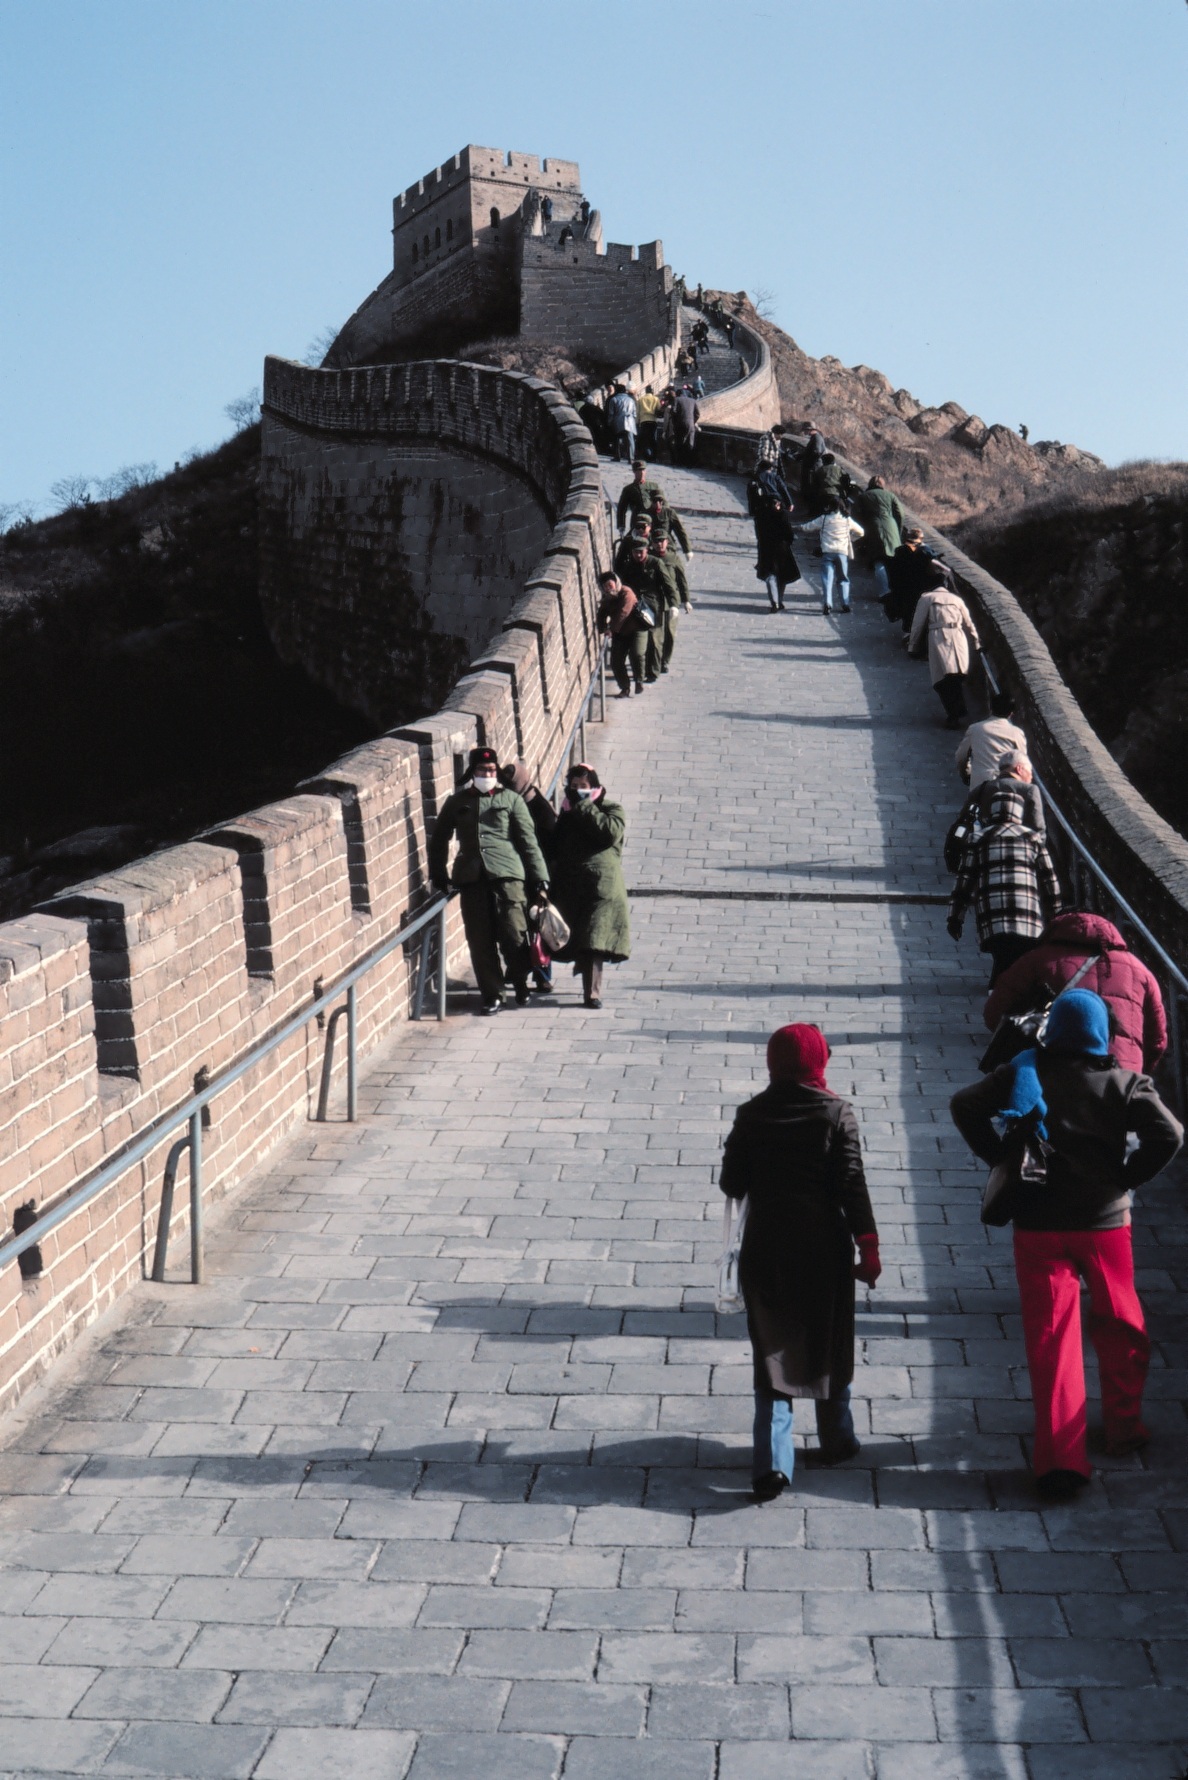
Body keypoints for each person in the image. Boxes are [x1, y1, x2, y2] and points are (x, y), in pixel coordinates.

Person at [950, 989, 1183, 1500]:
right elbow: (1170, 1135)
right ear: (1100, 1035)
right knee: (1123, 1325)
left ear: (1053, 1033)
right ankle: (1123, 1428)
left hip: (1038, 1226)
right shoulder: (1124, 1083)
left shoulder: (1022, 1074)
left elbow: (964, 1105)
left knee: (1053, 1338)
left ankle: (1060, 1460)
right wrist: (1127, 1177)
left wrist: (998, 1158)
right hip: (1104, 1227)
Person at [720, 1024, 879, 1499]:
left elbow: (732, 1182)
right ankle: (837, 1440)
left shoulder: (751, 1114)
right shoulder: (837, 1114)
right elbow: (853, 1186)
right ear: (818, 1064)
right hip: (823, 1249)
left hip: (766, 1249)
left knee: (772, 1352)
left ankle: (772, 1463)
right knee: (829, 1342)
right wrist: (868, 1247)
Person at [428, 747, 549, 1015]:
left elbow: (529, 842)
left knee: (513, 933)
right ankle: (493, 994)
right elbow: (439, 840)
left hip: (507, 875)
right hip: (472, 878)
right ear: (472, 772)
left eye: (492, 770)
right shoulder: (458, 802)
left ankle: (519, 982)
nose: (488, 774)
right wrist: (438, 874)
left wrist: (540, 878)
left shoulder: (511, 800)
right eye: (482, 771)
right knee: (479, 939)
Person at [983, 912, 1168, 1077]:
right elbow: (1156, 1040)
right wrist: (1138, 1069)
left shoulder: (1036, 960)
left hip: (1053, 1073)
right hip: (1120, 1075)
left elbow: (994, 1013)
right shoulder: (1138, 969)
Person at [947, 786, 1063, 984]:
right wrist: (1056, 916)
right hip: (1027, 916)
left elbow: (964, 882)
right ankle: (1009, 999)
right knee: (1021, 959)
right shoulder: (1032, 838)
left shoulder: (978, 839)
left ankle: (999, 997)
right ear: (1018, 812)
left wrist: (955, 918)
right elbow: (1050, 881)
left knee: (1002, 957)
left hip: (992, 917)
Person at [547, 763, 630, 1008]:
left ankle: (592, 994)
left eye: (583, 787)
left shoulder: (611, 808)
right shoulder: (566, 812)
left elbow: (608, 833)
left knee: (594, 939)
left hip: (601, 886)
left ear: (594, 786)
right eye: (573, 787)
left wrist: (583, 805)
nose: (578, 791)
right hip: (571, 886)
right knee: (577, 937)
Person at [498, 760, 558, 992]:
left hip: (538, 877)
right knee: (517, 926)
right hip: (518, 874)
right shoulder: (522, 801)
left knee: (538, 928)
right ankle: (518, 969)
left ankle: (542, 976)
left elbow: (547, 847)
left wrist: (543, 882)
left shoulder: (539, 808)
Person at [908, 581, 981, 726]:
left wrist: (913, 646)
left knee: (942, 679)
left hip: (939, 638)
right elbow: (969, 623)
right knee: (957, 675)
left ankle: (954, 713)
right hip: (958, 637)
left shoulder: (927, 598)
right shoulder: (957, 600)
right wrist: (976, 642)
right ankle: (958, 710)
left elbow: (918, 624)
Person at [795, 503, 864, 614]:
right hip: (842, 553)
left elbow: (808, 527)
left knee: (827, 579)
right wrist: (849, 538)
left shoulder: (824, 518)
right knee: (843, 579)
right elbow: (861, 532)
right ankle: (845, 603)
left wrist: (798, 527)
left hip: (827, 552)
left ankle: (827, 602)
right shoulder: (847, 520)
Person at [618, 538, 668, 682]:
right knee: (638, 641)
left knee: (654, 639)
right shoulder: (628, 567)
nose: (638, 555)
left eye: (641, 552)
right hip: (636, 607)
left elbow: (667, 583)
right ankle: (642, 671)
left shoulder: (655, 563)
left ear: (647, 550)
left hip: (653, 606)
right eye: (635, 552)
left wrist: (673, 604)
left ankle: (653, 671)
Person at [957, 691, 1029, 790]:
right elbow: (1022, 761)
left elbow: (961, 755)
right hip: (1006, 785)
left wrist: (965, 773)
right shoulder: (1016, 733)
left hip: (980, 783)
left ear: (991, 708)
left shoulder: (975, 729)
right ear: (1011, 713)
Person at [597, 569, 648, 697]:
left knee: (637, 654)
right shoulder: (608, 598)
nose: (609, 588)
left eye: (610, 585)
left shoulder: (626, 592)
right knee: (616, 661)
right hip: (620, 632)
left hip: (636, 628)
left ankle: (639, 680)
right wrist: (602, 628)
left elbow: (623, 612)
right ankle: (625, 688)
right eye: (606, 587)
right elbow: (601, 613)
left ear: (616, 582)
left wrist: (611, 629)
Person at [853, 476, 907, 601]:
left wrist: (864, 528)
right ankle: (897, 590)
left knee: (879, 560)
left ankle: (884, 592)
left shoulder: (864, 496)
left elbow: (855, 515)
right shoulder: (890, 495)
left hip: (873, 528)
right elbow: (901, 514)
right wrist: (897, 530)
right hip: (891, 527)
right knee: (894, 559)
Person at [884, 529, 946, 631]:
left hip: (904, 585)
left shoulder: (899, 550)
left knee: (908, 609)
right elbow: (932, 560)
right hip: (920, 585)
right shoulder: (924, 551)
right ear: (920, 539)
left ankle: (908, 631)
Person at [975, 751, 1045, 835]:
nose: (1031, 777)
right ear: (1020, 769)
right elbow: (1038, 828)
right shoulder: (1030, 790)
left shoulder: (981, 789)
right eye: (1030, 771)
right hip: (1020, 844)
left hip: (984, 843)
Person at [754, 497, 801, 612]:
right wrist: (788, 542)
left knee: (770, 574)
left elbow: (759, 534)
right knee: (782, 576)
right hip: (782, 548)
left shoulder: (760, 516)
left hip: (766, 548)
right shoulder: (782, 515)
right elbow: (789, 533)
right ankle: (779, 600)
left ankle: (774, 601)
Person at [650, 532, 689, 669]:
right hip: (655, 601)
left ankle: (665, 659)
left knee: (670, 633)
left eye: (662, 541)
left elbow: (681, 580)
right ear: (652, 543)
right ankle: (656, 660)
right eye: (656, 542)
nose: (659, 544)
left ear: (667, 542)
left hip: (671, 601)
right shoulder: (650, 558)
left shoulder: (673, 558)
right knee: (656, 633)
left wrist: (686, 600)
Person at [616, 460, 665, 532]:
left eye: (643, 470)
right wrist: (621, 525)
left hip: (653, 520)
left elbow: (663, 502)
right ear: (634, 471)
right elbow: (622, 509)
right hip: (637, 520)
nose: (642, 472)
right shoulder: (628, 489)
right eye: (639, 470)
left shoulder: (653, 486)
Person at [647, 493, 691, 559]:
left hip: (667, 544)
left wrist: (687, 550)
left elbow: (680, 531)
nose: (658, 503)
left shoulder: (669, 512)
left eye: (660, 500)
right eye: (654, 501)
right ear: (650, 501)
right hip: (651, 544)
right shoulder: (645, 513)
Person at [606, 384, 638, 462]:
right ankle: (631, 458)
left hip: (617, 421)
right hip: (630, 421)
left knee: (616, 439)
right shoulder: (631, 400)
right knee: (630, 440)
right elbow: (634, 413)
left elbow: (611, 413)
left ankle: (617, 456)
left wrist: (609, 422)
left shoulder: (614, 399)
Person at [671, 388, 700, 465]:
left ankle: (680, 462)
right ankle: (690, 463)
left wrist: (674, 422)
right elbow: (697, 414)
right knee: (690, 443)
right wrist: (693, 421)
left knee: (679, 442)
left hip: (679, 424)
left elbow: (673, 411)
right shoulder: (693, 401)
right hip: (690, 424)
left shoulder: (676, 399)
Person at [636, 386, 662, 461]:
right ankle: (654, 457)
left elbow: (638, 413)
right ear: (652, 391)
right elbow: (658, 410)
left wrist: (637, 422)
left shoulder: (640, 400)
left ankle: (644, 456)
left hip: (644, 421)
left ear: (646, 391)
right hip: (653, 421)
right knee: (652, 439)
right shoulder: (656, 399)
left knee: (643, 439)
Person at [799, 426, 826, 499]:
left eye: (805, 430)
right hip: (813, 465)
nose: (805, 432)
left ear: (811, 430)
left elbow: (816, 452)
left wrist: (809, 463)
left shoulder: (816, 438)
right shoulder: (815, 438)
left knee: (811, 483)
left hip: (814, 466)